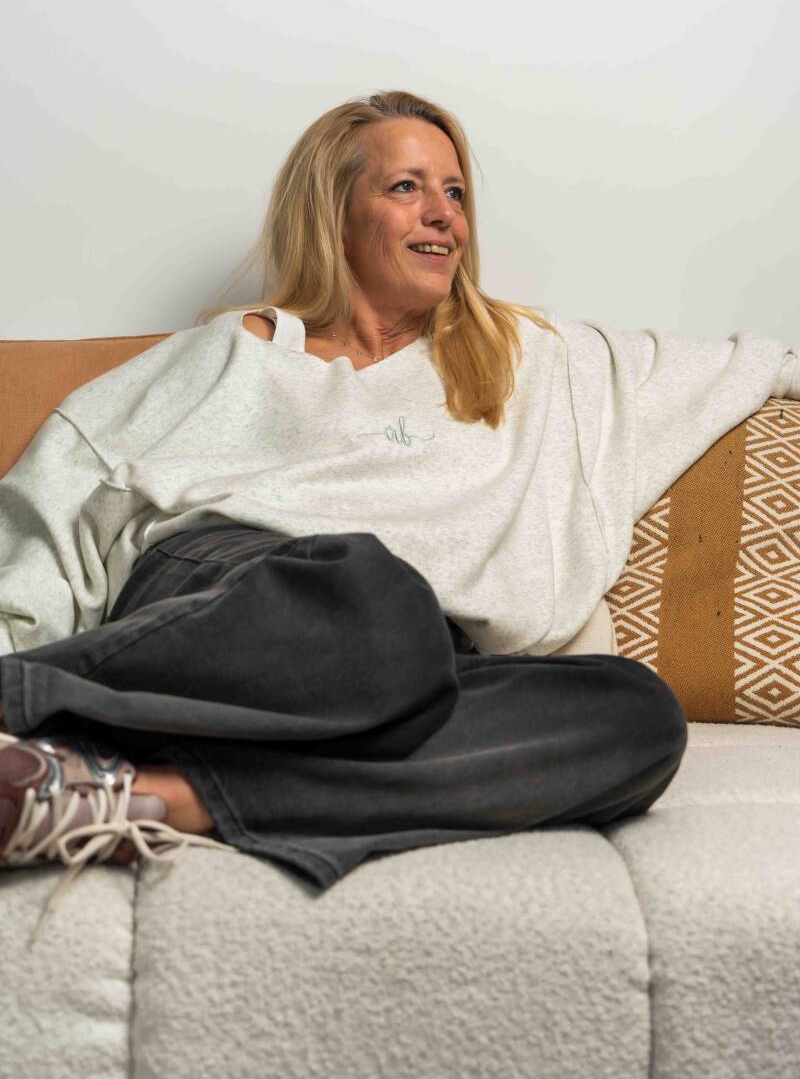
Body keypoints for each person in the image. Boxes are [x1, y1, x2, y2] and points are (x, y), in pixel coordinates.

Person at [1, 89, 797, 947]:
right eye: (407, 187)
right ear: (334, 213)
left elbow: (755, 364)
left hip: (408, 670)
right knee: (376, 597)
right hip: (229, 599)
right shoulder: (227, 355)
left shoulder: (537, 363)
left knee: (635, 715)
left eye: (455, 192)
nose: (444, 215)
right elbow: (59, 504)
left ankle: (129, 797)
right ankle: (36, 703)